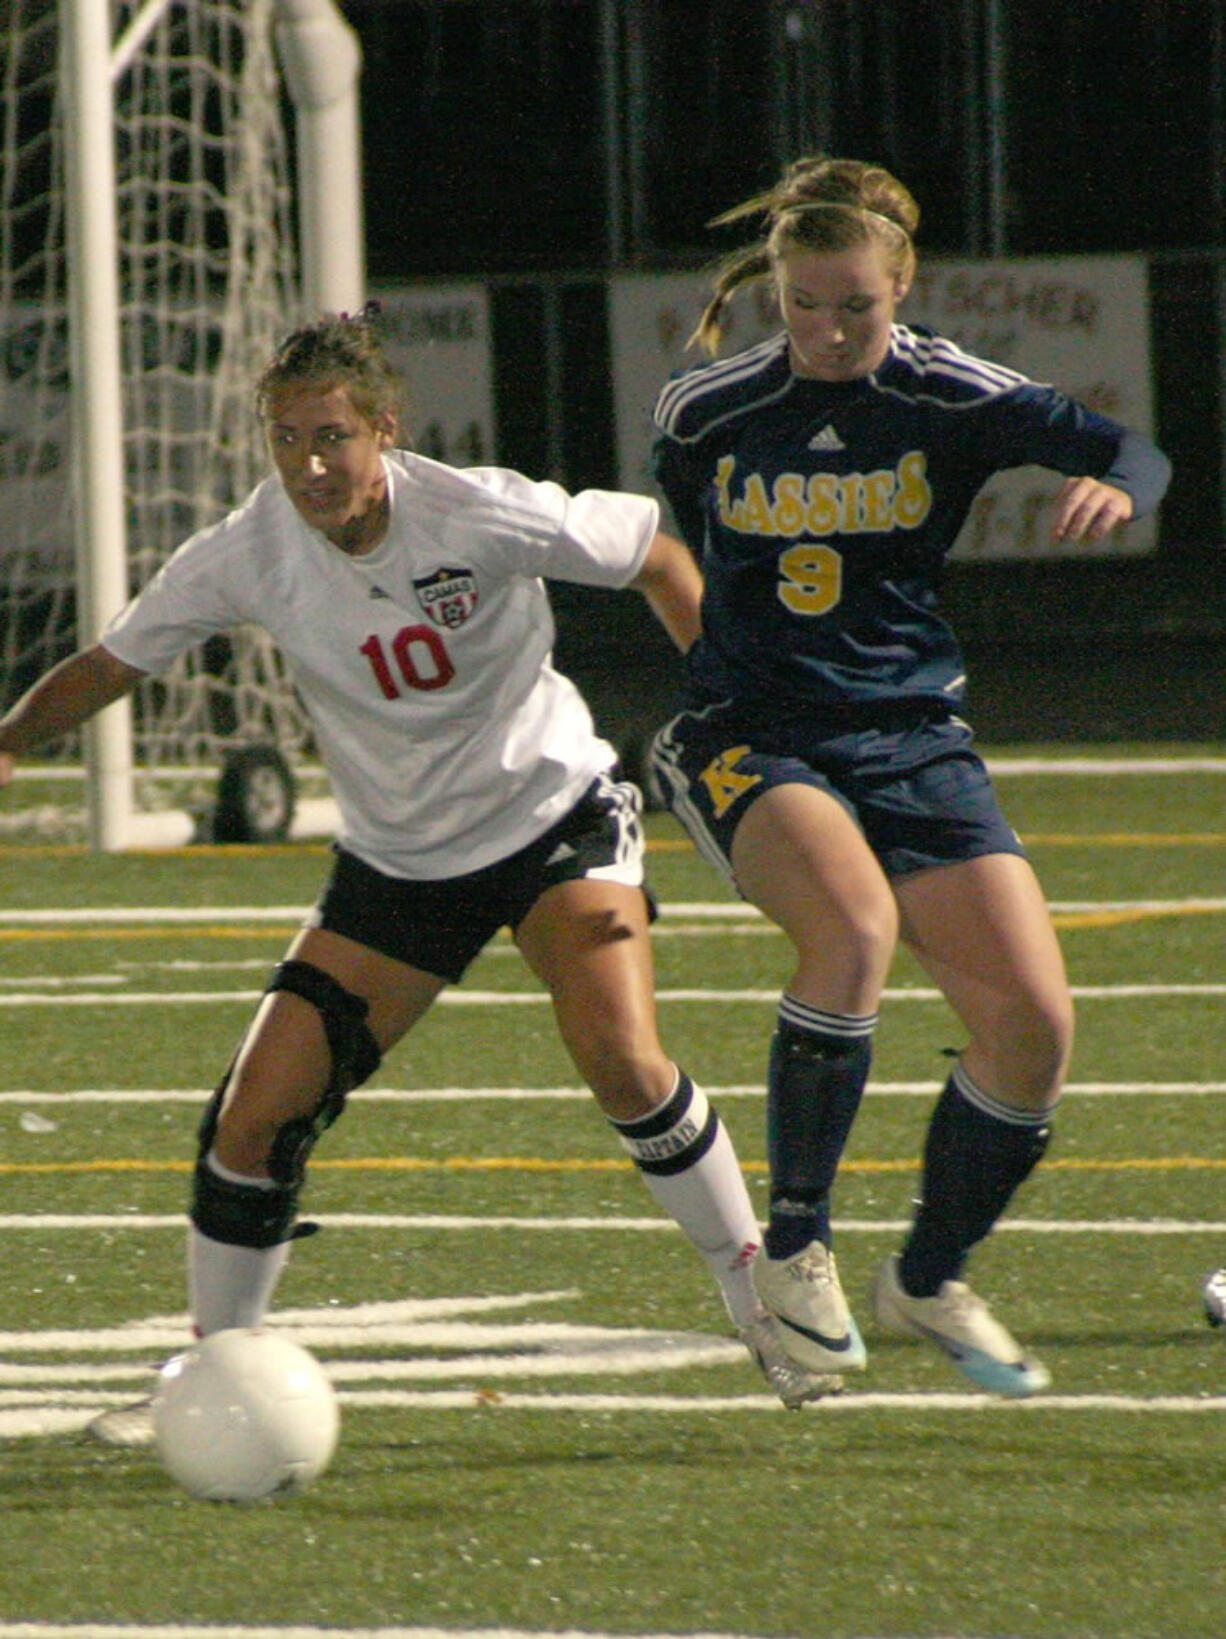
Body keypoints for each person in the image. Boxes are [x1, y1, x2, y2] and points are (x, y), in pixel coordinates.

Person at [0, 304, 842, 1437]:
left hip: (551, 818)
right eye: (287, 438)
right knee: (250, 1122)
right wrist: (9, 739)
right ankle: (212, 1374)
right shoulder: (249, 549)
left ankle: (763, 1297)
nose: (308, 464)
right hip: (398, 863)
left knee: (622, 1061)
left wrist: (731, 697)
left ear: (384, 431)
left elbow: (657, 556)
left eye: (331, 436)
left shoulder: (474, 507)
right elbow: (111, 661)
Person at [648, 156, 1172, 1396]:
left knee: (1032, 1029)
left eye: (855, 308)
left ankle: (927, 1275)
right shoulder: (704, 408)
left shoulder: (947, 390)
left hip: (910, 736)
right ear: (772, 288)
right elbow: (674, 551)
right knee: (851, 932)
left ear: (902, 291)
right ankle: (794, 1249)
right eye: (803, 305)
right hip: (752, 734)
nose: (828, 333)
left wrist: (1113, 481)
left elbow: (1134, 452)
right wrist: (720, 679)